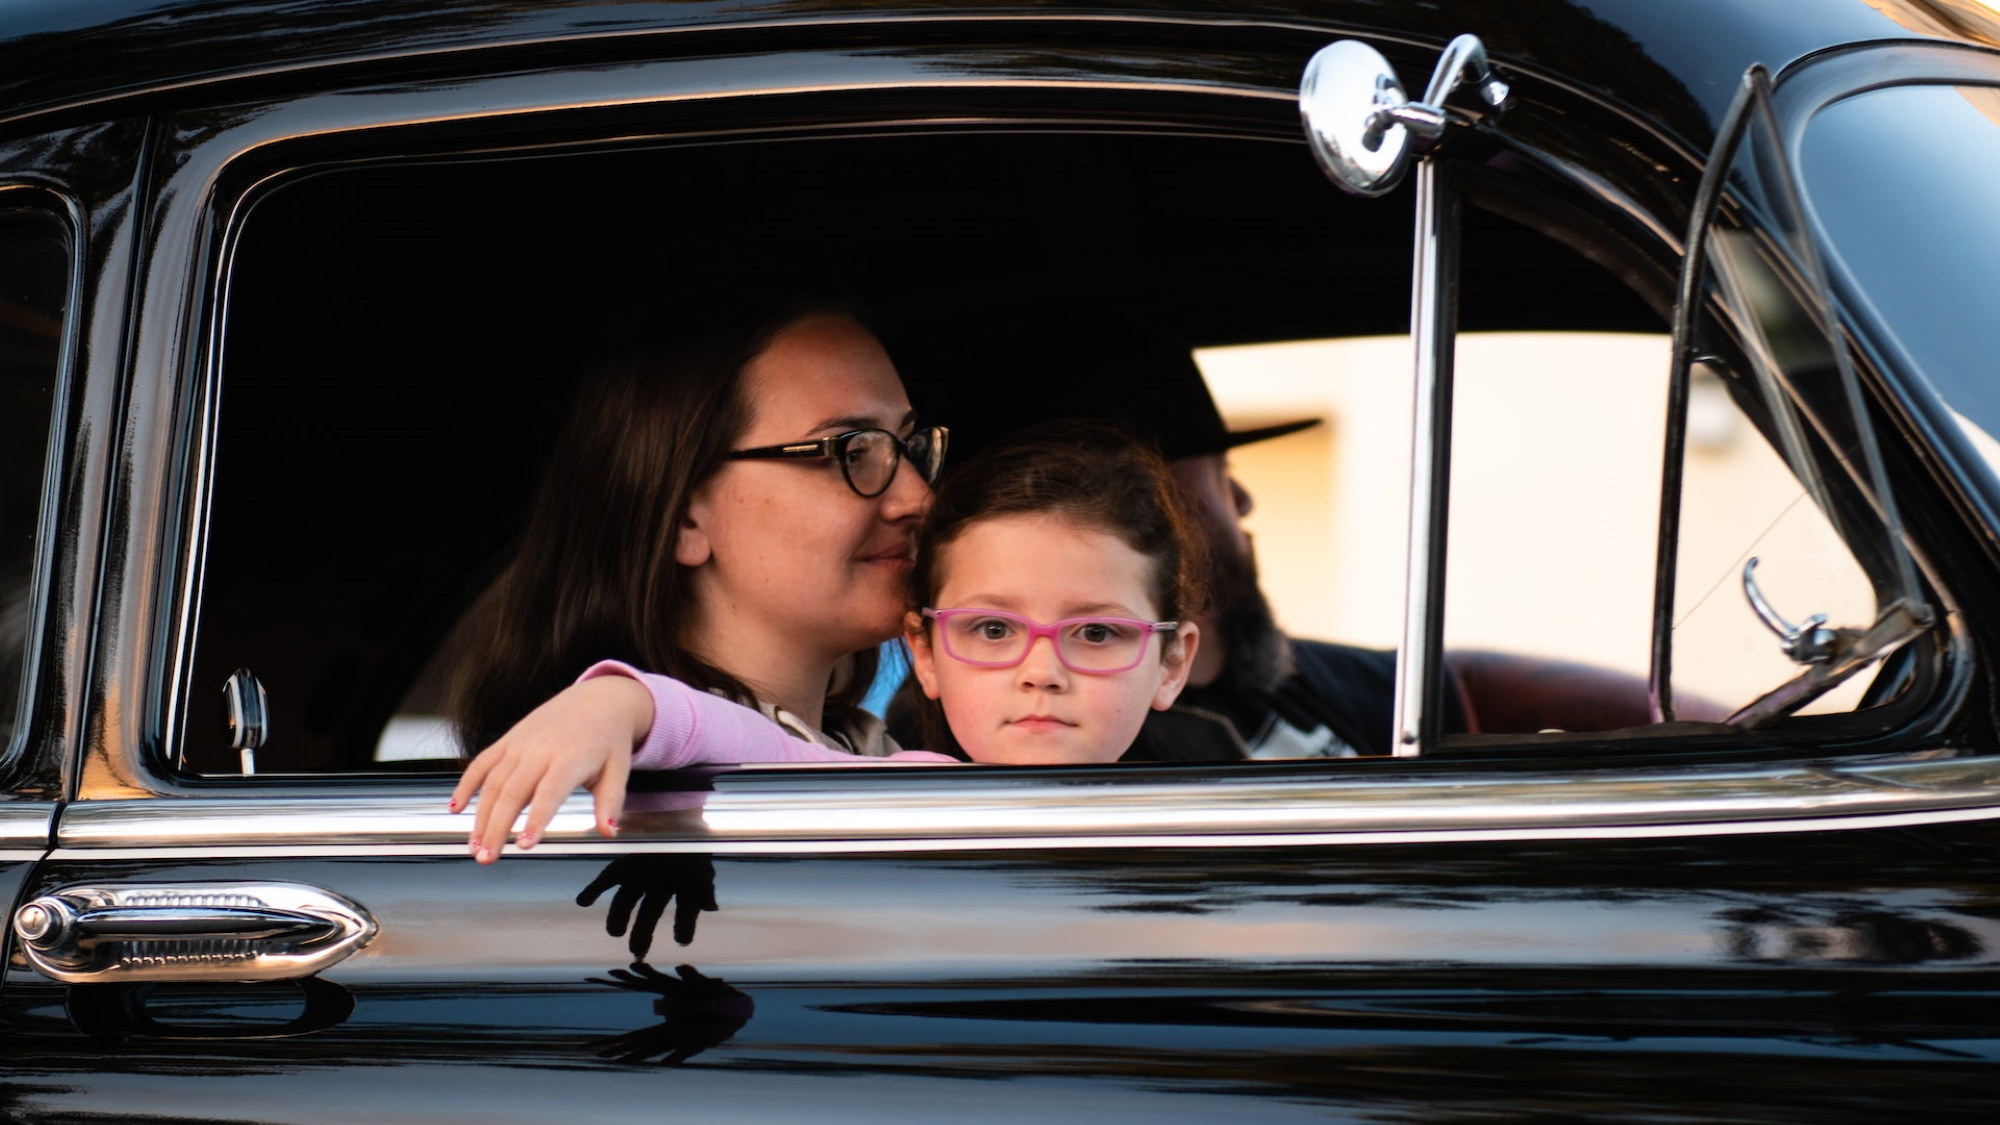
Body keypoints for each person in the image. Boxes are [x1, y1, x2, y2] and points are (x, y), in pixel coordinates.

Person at [453, 425, 1205, 840]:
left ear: (1172, 661)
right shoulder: (898, 795)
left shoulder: (1220, 820)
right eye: (993, 627)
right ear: (925, 652)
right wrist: (620, 705)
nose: (1042, 669)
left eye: (1097, 635)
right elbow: (753, 741)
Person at [446, 281, 945, 862]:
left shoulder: (874, 751)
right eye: (849, 450)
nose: (918, 498)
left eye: (907, 447)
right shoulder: (617, 802)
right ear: (684, 515)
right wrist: (622, 706)